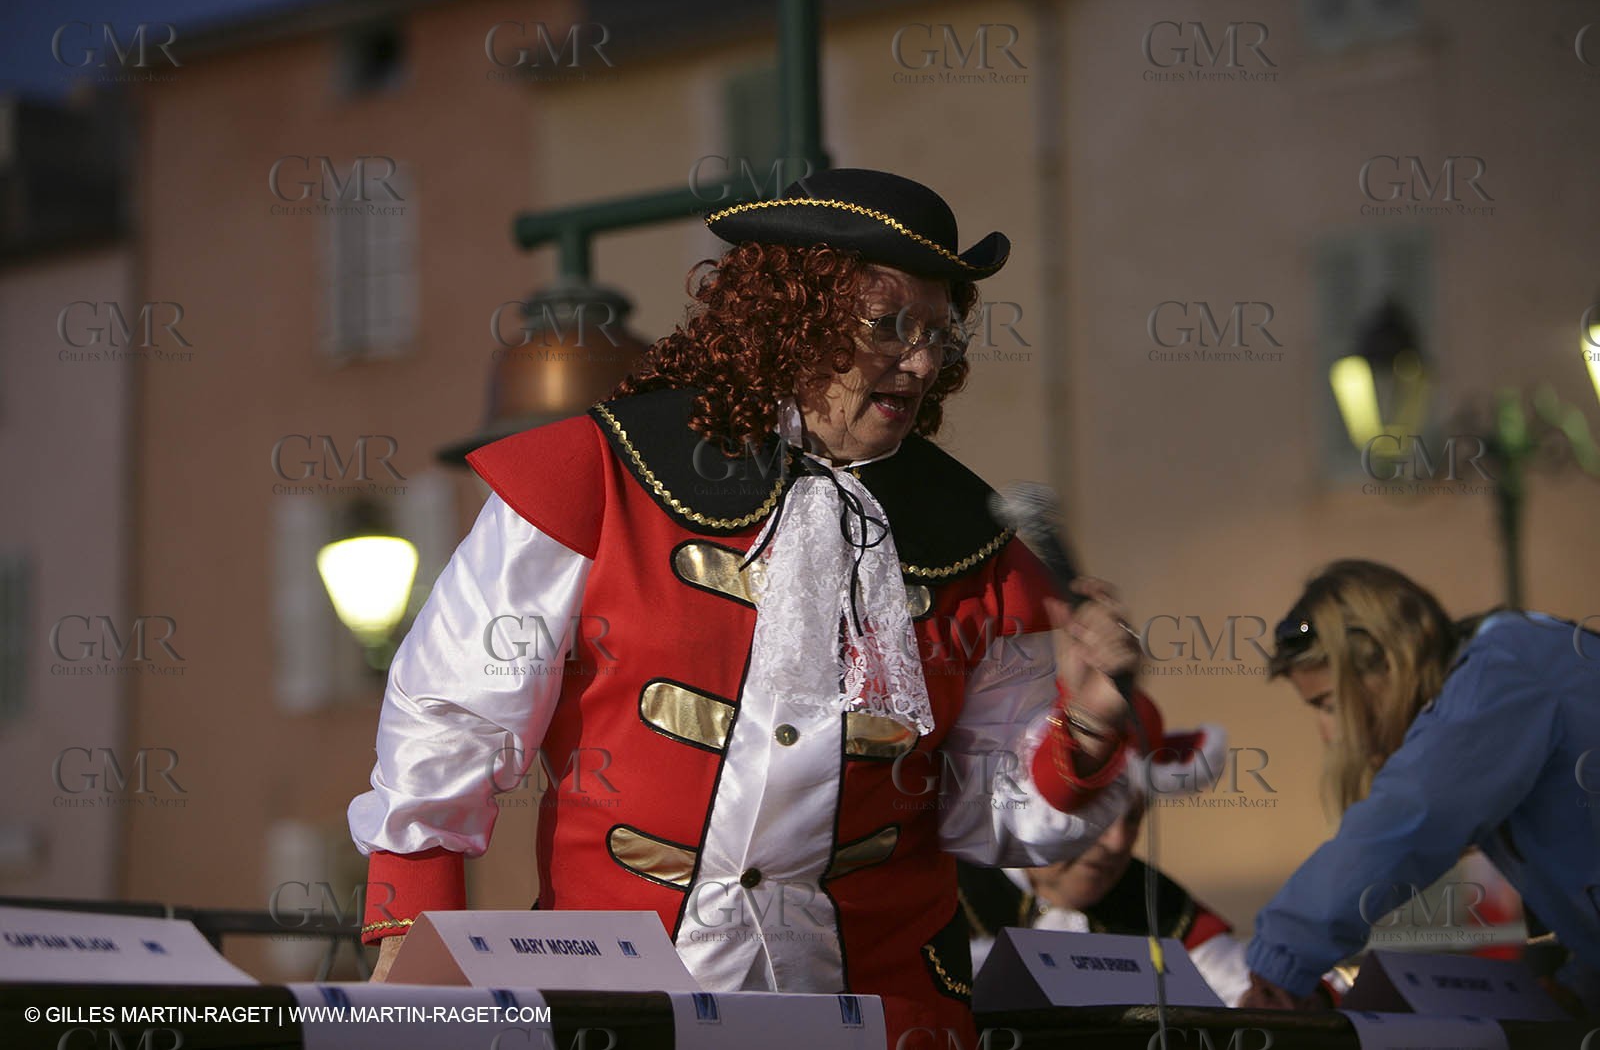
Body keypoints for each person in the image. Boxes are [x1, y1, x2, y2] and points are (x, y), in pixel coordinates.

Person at [347, 168, 1144, 1046]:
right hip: (618, 1002)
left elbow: (985, 810)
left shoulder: (972, 543)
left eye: (937, 333)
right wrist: (405, 931)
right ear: (793, 316)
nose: (919, 361)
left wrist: (1090, 733)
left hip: (885, 1017)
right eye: (888, 325)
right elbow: (452, 715)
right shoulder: (603, 475)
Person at [1240, 560, 1600, 1017]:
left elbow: (1409, 817)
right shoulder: (1521, 662)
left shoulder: (1502, 671)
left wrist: (1280, 961)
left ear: (1388, 660)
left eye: (1330, 705)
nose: (1329, 735)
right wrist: (1580, 988)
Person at [959, 698, 1255, 1005]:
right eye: (1093, 819)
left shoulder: (1161, 907)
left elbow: (1246, 999)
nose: (1117, 842)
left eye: (1132, 819)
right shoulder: (946, 886)